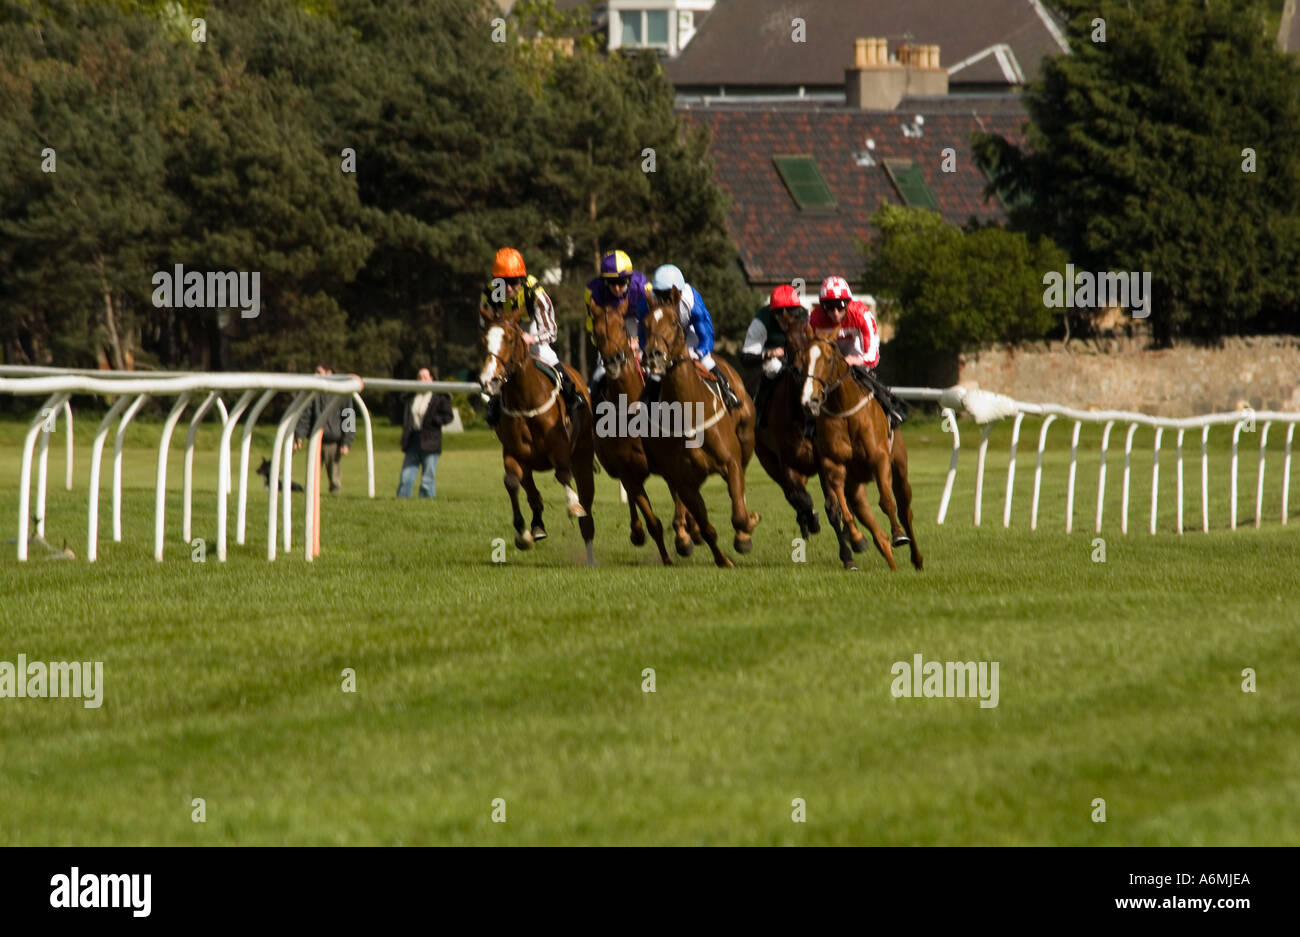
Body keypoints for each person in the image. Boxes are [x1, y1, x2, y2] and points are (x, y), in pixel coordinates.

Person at [478, 247, 583, 426]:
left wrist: (531, 338)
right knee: (496, 365)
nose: (509, 288)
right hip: (505, 329)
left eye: (513, 281)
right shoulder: (490, 294)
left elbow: (551, 330)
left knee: (546, 355)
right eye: (503, 282)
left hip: (532, 327)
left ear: (522, 278)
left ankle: (571, 395)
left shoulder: (534, 292)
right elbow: (484, 325)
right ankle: (494, 404)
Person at [808, 276, 908, 429]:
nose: (835, 313)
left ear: (848, 303)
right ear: (822, 306)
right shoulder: (814, 318)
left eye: (840, 306)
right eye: (829, 306)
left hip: (855, 354)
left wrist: (853, 361)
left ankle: (890, 409)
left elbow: (873, 356)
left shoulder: (862, 314)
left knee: (867, 378)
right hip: (828, 357)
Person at [636, 263, 740, 409]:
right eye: (660, 295)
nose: (665, 301)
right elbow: (642, 333)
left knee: (706, 359)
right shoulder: (645, 305)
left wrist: (699, 352)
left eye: (669, 295)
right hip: (663, 335)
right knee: (656, 369)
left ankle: (728, 391)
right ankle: (647, 403)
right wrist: (646, 350)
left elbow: (706, 336)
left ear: (679, 292)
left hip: (688, 330)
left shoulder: (692, 301)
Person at [585, 249, 647, 399]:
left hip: (636, 322)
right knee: (599, 372)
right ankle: (592, 410)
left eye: (620, 282)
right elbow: (592, 328)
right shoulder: (593, 291)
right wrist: (605, 345)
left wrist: (639, 341)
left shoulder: (642, 287)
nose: (617, 288)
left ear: (629, 279)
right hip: (608, 328)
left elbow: (650, 321)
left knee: (652, 367)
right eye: (612, 283)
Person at [742, 284, 806, 427]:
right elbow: (746, 357)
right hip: (772, 359)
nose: (785, 321)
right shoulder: (761, 320)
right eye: (779, 315)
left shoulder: (805, 317)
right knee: (773, 368)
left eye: (791, 314)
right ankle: (759, 413)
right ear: (772, 313)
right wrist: (768, 354)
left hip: (798, 356)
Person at [294, 363, 355, 494]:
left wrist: (346, 442)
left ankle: (336, 499)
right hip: (315, 442)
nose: (316, 375)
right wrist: (299, 435)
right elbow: (306, 416)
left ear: (329, 372)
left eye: (319, 372)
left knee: (335, 480)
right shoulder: (313, 392)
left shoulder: (342, 392)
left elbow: (348, 417)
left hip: (334, 443)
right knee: (311, 477)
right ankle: (310, 499)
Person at [397, 367, 454, 499]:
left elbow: (448, 416)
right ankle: (401, 500)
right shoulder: (411, 396)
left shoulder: (439, 396)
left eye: (425, 377)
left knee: (428, 478)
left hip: (431, 441)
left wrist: (435, 420)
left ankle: (427, 501)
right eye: (419, 377)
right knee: (406, 476)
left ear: (432, 379)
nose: (422, 380)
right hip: (413, 440)